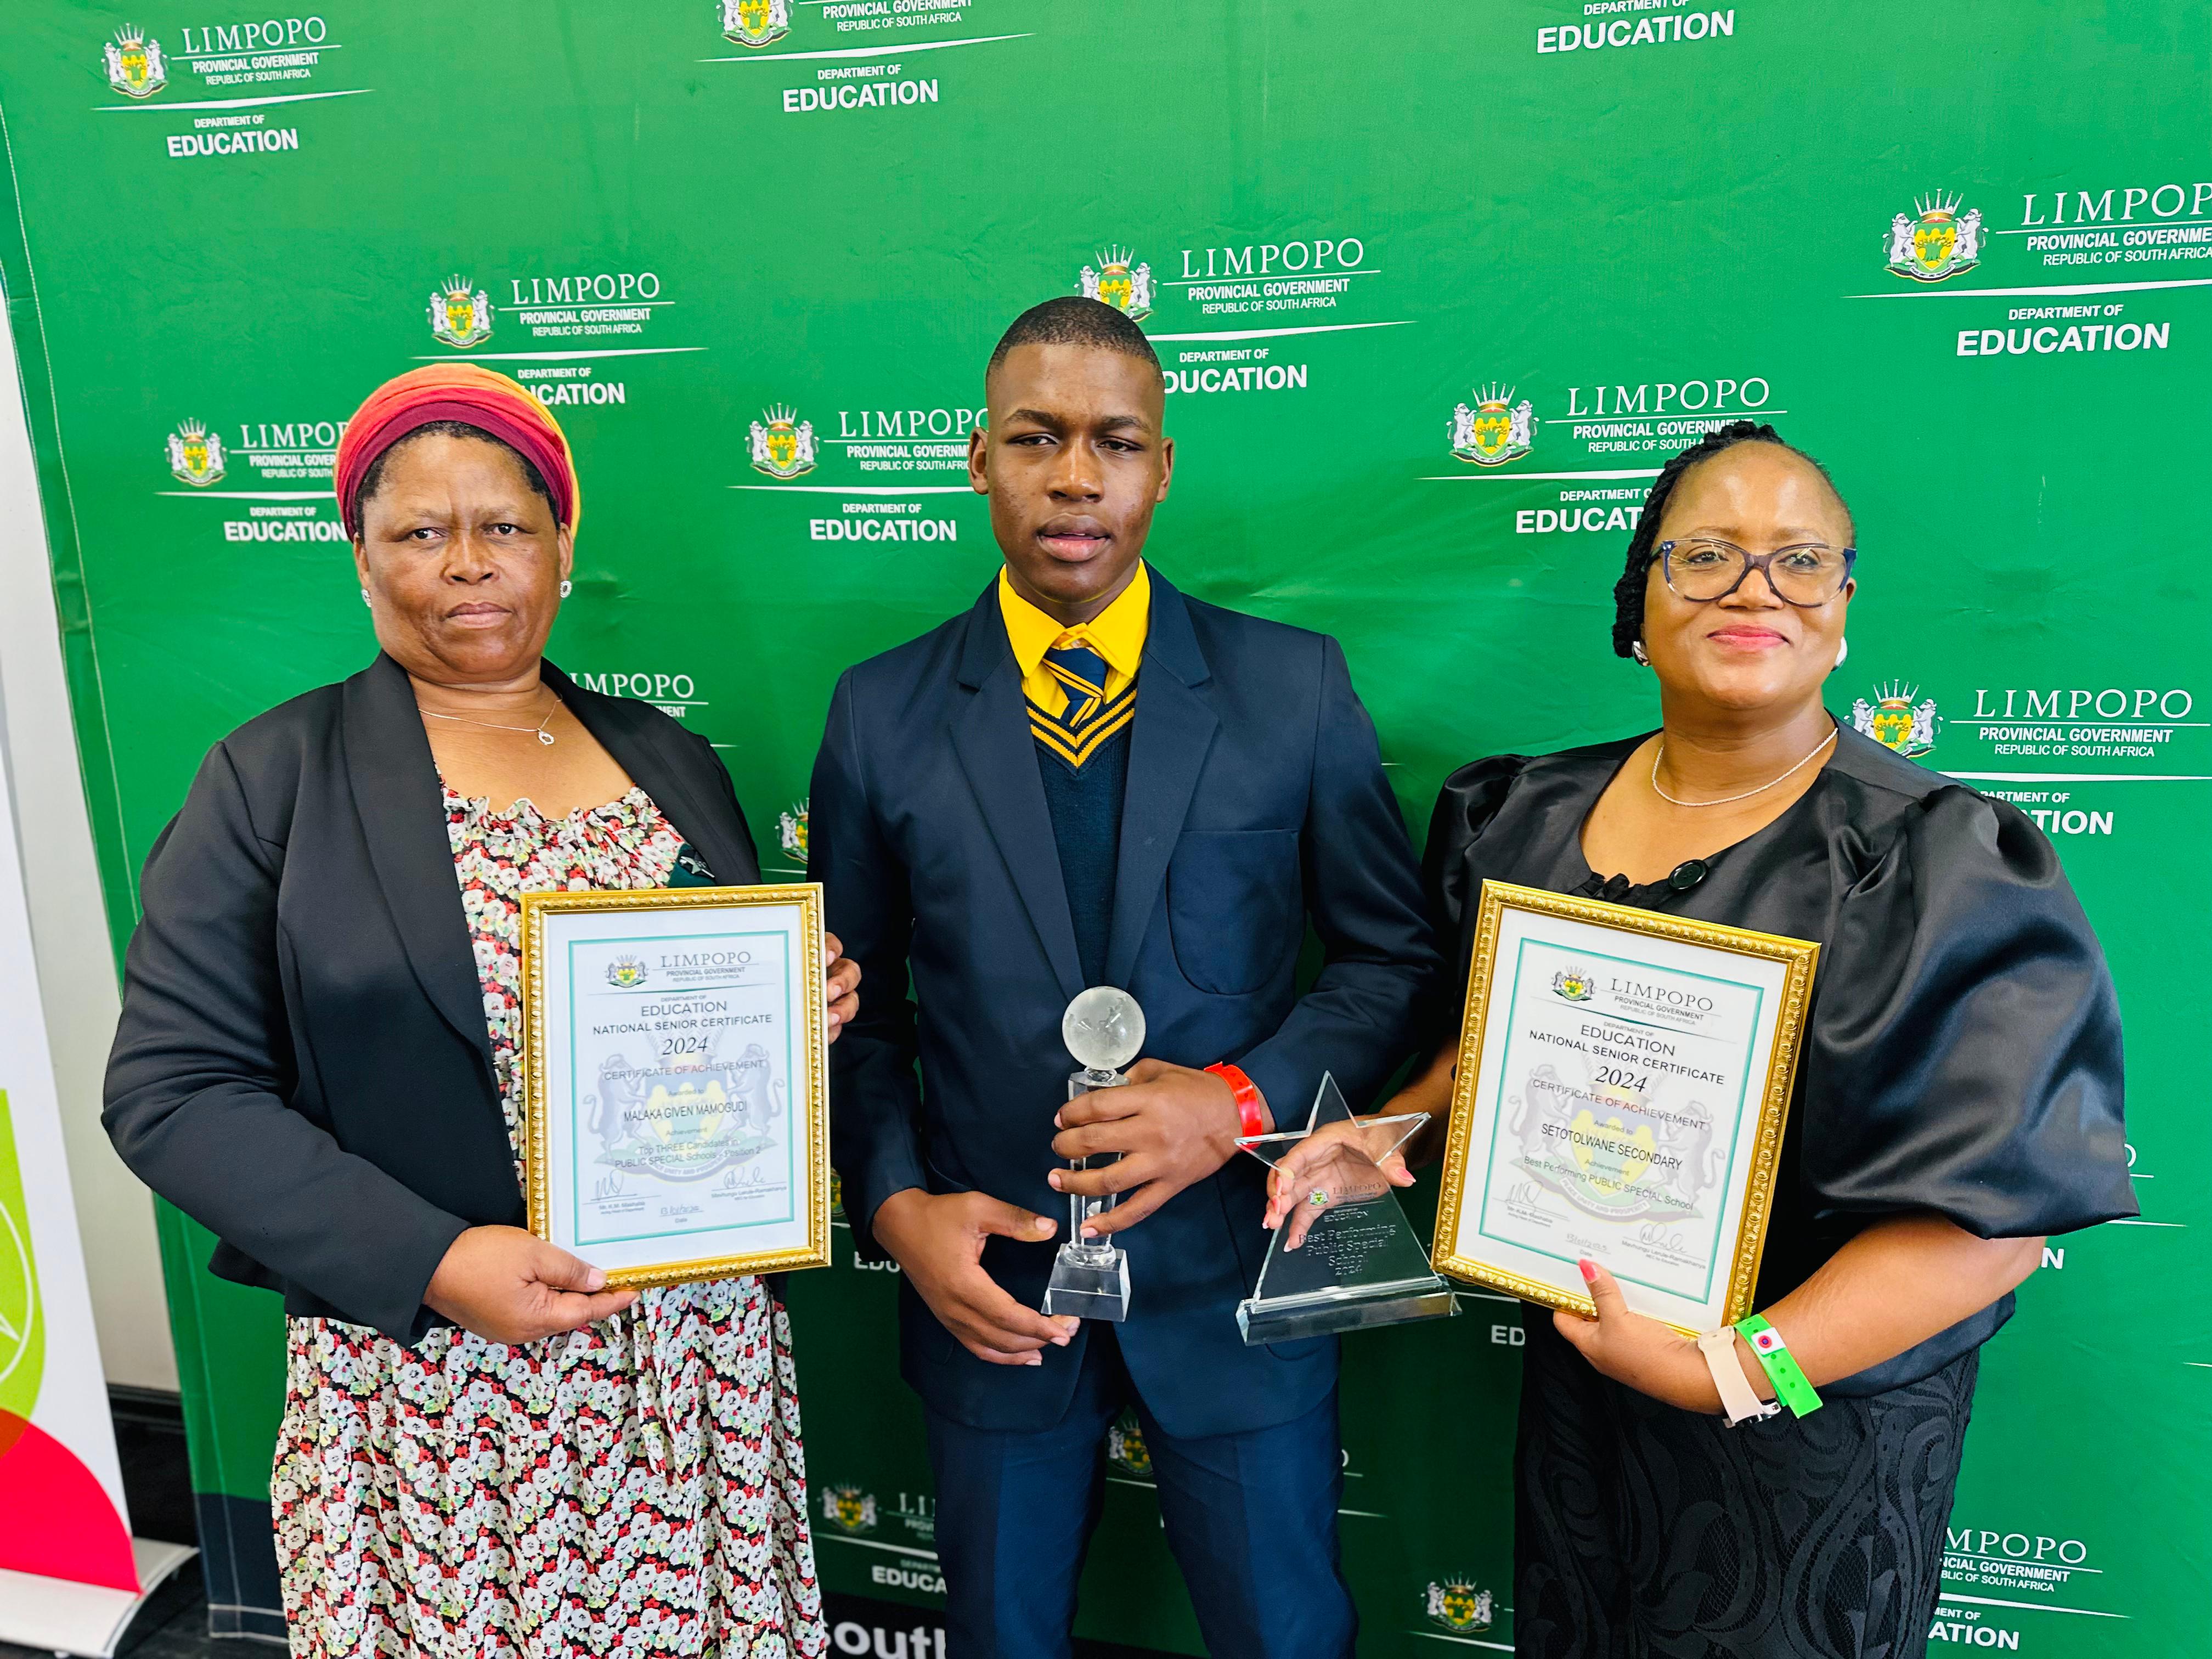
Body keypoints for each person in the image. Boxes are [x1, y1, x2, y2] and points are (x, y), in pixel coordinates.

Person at [1268, 420, 2135, 1657]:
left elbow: (1999, 1229)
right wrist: (1399, 1128)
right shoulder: (1524, 814)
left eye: (1799, 561)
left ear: (1842, 608)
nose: (1753, 588)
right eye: (1708, 555)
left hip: (1811, 1427)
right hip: (1587, 1379)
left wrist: (1730, 1372)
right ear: (1639, 602)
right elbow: (1520, 1043)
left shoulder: (1940, 862)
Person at [103, 363, 860, 1659]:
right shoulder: (272, 779)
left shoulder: (664, 755)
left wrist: (797, 1007)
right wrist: (437, 1264)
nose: (468, 565)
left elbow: (698, 1020)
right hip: (442, 1393)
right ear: (360, 559)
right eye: (419, 532)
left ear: (563, 546)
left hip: (693, 1373)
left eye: (505, 526)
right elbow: (171, 1094)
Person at [809, 297, 1438, 1658]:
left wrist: (1238, 1101)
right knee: (1002, 1636)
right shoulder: (881, 712)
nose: (1076, 476)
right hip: (991, 1288)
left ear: (1165, 466)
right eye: (1036, 438)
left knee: (1284, 1635)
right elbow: (851, 1014)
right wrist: (897, 1205)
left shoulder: (1293, 689)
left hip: (1235, 1279)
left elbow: (1394, 956)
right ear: (979, 460)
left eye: (1116, 442)